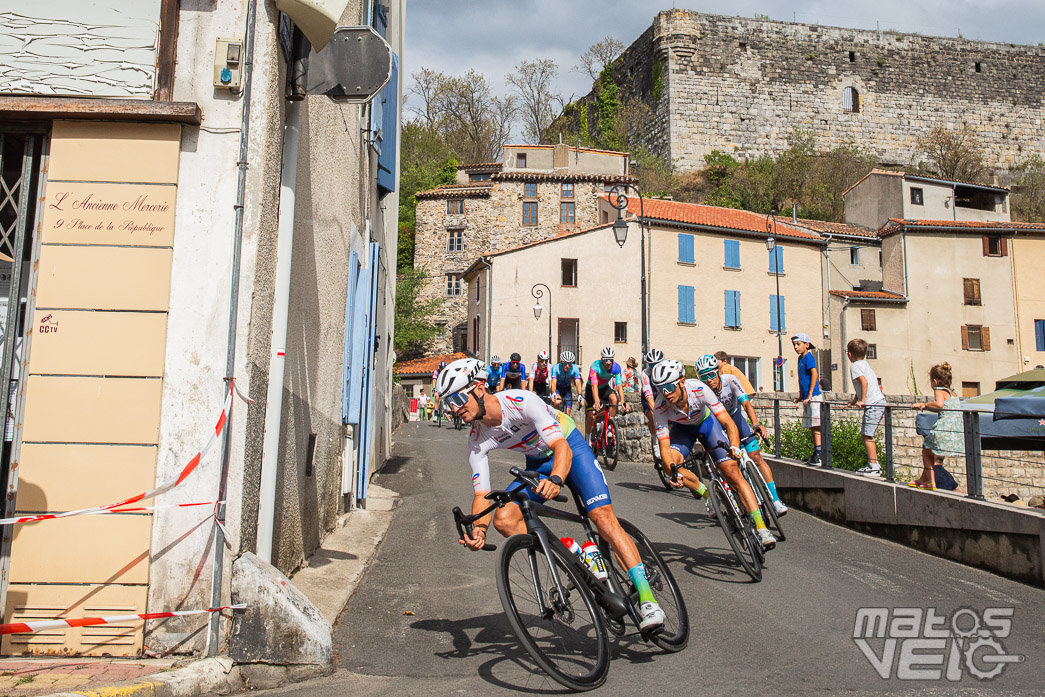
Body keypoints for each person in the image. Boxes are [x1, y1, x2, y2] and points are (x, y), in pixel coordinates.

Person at [437, 358, 666, 630]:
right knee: (504, 518)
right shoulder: (477, 438)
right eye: (448, 403)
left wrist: (557, 479)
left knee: (601, 518)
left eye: (459, 398)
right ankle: (575, 552)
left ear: (478, 388)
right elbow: (482, 495)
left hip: (569, 448)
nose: (454, 408)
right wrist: (479, 530)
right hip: (538, 464)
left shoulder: (520, 402)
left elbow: (560, 446)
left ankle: (648, 599)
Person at [650, 360, 777, 550]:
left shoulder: (699, 389)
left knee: (733, 473)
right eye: (661, 389)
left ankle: (761, 527)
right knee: (670, 467)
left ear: (682, 382)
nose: (665, 393)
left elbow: (728, 422)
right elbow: (665, 448)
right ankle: (708, 494)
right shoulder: (660, 406)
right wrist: (673, 473)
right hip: (683, 431)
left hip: (707, 424)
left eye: (669, 386)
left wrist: (734, 447)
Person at [695, 354, 788, 516]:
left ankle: (775, 500)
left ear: (718, 372)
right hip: (719, 426)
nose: (709, 380)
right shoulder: (702, 391)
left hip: (737, 419)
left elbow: (746, 403)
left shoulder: (730, 380)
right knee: (728, 467)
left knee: (757, 457)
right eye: (704, 377)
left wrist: (756, 424)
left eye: (711, 374)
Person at [911, 363, 964, 490]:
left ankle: (930, 481)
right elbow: (944, 408)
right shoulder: (953, 393)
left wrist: (923, 404)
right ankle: (923, 479)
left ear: (935, 381)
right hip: (955, 429)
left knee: (926, 450)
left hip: (944, 428)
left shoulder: (939, 390)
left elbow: (939, 404)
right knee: (929, 451)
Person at [845, 339, 887, 476]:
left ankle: (874, 465)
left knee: (867, 435)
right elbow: (863, 384)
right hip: (877, 401)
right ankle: (873, 464)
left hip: (873, 403)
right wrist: (855, 400)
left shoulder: (855, 367)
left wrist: (862, 400)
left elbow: (864, 382)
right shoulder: (865, 364)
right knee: (866, 434)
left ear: (850, 354)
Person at [791, 333, 823, 464]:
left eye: (798, 344)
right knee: (811, 426)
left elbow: (814, 374)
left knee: (816, 425)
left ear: (807, 345)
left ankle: (819, 453)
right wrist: (800, 395)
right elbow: (801, 378)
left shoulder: (809, 357)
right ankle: (816, 451)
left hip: (813, 396)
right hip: (806, 397)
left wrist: (810, 394)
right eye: (794, 345)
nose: (796, 347)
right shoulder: (800, 359)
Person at [585, 347, 629, 440]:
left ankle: (609, 427)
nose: (608, 362)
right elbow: (594, 385)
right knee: (591, 417)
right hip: (592, 388)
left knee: (614, 399)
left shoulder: (616, 368)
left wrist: (623, 401)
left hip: (604, 388)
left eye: (611, 360)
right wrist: (596, 400)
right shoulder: (595, 366)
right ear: (602, 360)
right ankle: (587, 440)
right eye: (606, 360)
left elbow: (619, 386)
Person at [639, 348, 665, 461]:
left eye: (657, 364)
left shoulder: (665, 369)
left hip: (661, 395)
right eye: (651, 365)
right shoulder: (645, 373)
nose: (654, 367)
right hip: (649, 396)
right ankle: (655, 441)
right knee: (652, 416)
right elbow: (648, 393)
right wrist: (656, 412)